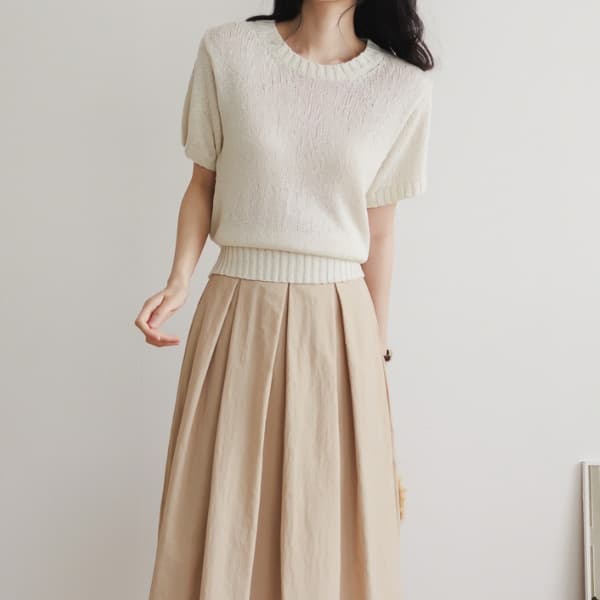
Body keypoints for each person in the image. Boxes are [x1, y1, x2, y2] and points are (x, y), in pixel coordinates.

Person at [135, 1, 434, 598]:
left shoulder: (403, 88)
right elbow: (202, 185)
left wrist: (374, 359)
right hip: (237, 311)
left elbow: (380, 233)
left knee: (322, 524)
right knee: (221, 508)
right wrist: (179, 279)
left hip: (339, 327)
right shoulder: (228, 52)